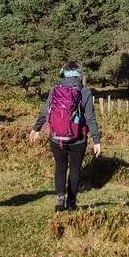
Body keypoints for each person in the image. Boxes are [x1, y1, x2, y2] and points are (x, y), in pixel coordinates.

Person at [29, 61, 102, 211]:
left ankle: (59, 200)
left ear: (64, 73)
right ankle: (71, 202)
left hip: (57, 138)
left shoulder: (55, 89)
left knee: (60, 167)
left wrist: (36, 128)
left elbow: (45, 111)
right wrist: (96, 140)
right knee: (75, 169)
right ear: (79, 74)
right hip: (78, 138)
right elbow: (90, 118)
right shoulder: (85, 92)